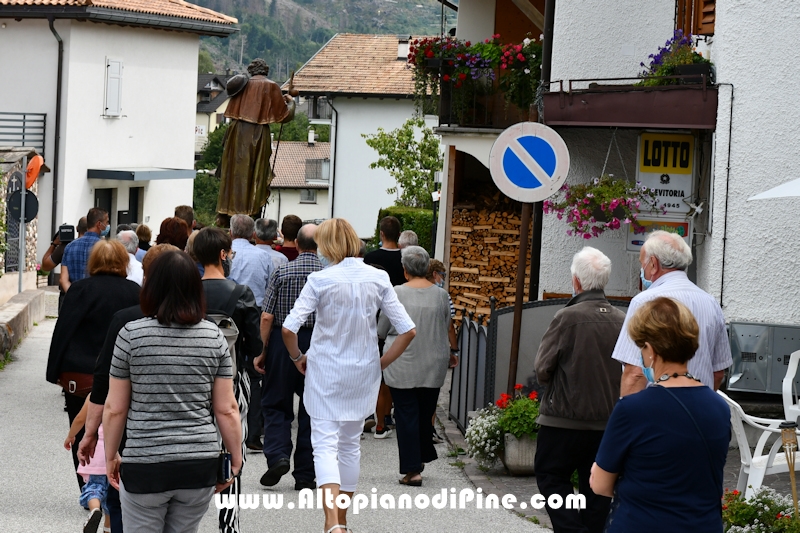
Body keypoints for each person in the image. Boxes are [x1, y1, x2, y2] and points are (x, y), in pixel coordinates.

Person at [281, 218, 416, 533]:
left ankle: (332, 524)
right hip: (363, 371)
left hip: (324, 370)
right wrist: (380, 363)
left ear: (325, 246)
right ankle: (341, 520)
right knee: (350, 445)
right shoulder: (379, 277)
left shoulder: (320, 280)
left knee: (325, 444)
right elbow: (408, 330)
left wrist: (298, 357)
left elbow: (289, 328)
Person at [103, 251, 242, 533]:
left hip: (145, 464)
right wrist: (235, 458)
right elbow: (227, 408)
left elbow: (115, 408)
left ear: (150, 287)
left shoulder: (131, 335)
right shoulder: (213, 335)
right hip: (198, 464)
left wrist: (111, 455)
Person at [590, 297, 730, 533]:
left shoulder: (632, 409)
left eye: (641, 348)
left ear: (651, 350)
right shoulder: (719, 407)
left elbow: (600, 483)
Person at [78, 244, 178, 533]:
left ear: (147, 275)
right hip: (187, 446)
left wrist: (91, 435)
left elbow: (104, 386)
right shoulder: (201, 324)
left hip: (135, 438)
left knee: (123, 501)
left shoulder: (126, 319)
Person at [533, 247, 626, 533]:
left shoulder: (567, 317)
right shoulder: (622, 320)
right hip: (605, 422)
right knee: (597, 486)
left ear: (576, 281)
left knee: (552, 477)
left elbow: (542, 368)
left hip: (563, 419)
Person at [46, 240, 141, 491]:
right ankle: (117, 482)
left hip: (82, 371)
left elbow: (63, 330)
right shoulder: (134, 291)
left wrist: (55, 371)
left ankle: (88, 488)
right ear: (124, 262)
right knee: (123, 426)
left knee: (79, 427)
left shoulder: (79, 290)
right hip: (123, 373)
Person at [195, 227, 262, 533]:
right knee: (231, 450)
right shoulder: (240, 293)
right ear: (223, 255)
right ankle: (228, 523)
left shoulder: (188, 291)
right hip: (231, 379)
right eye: (231, 253)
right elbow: (254, 343)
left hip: (191, 381)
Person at [612, 230, 732, 396]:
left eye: (642, 264)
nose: (642, 271)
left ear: (653, 264)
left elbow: (635, 372)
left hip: (655, 411)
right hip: (700, 410)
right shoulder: (711, 302)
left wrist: (627, 413)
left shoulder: (644, 301)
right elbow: (718, 372)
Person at [378, 246, 454, 487]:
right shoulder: (441, 295)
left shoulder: (396, 292)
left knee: (406, 414)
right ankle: (420, 457)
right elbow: (445, 326)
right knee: (424, 412)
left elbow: (382, 328)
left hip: (402, 361)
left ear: (405, 270)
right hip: (433, 361)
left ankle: (413, 470)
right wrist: (452, 352)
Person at [254, 224, 320, 490]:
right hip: (317, 342)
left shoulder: (283, 271)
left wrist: (263, 350)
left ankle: (278, 454)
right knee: (312, 409)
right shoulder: (327, 275)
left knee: (276, 403)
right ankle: (305, 474)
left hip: (284, 340)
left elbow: (267, 316)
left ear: (298, 245)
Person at [217, 59, 296, 219]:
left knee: (234, 173)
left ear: (252, 71)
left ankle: (227, 213)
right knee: (255, 173)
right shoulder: (271, 86)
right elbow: (284, 117)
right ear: (265, 70)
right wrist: (292, 102)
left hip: (236, 132)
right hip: (257, 134)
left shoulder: (242, 85)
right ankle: (251, 213)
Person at [364, 216, 405, 437]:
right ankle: (385, 416)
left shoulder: (370, 258)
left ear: (381, 234)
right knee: (387, 371)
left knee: (372, 368)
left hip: (373, 316)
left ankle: (369, 413)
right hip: (395, 317)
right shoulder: (404, 259)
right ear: (398, 235)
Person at [64, 395, 111, 533]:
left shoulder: (94, 395)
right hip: (116, 451)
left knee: (94, 487)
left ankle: (95, 509)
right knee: (112, 497)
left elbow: (80, 418)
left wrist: (71, 435)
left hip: (95, 452)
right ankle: (108, 528)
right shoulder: (124, 393)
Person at [229, 214, 274, 308]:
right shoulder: (264, 256)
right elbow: (271, 288)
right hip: (255, 310)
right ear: (253, 234)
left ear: (230, 232)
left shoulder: (221, 253)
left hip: (227, 308)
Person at [60, 207, 110, 292]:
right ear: (99, 224)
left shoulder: (70, 246)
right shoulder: (105, 247)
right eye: (106, 222)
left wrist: (74, 296)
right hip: (96, 299)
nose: (107, 225)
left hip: (75, 299)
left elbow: (63, 279)